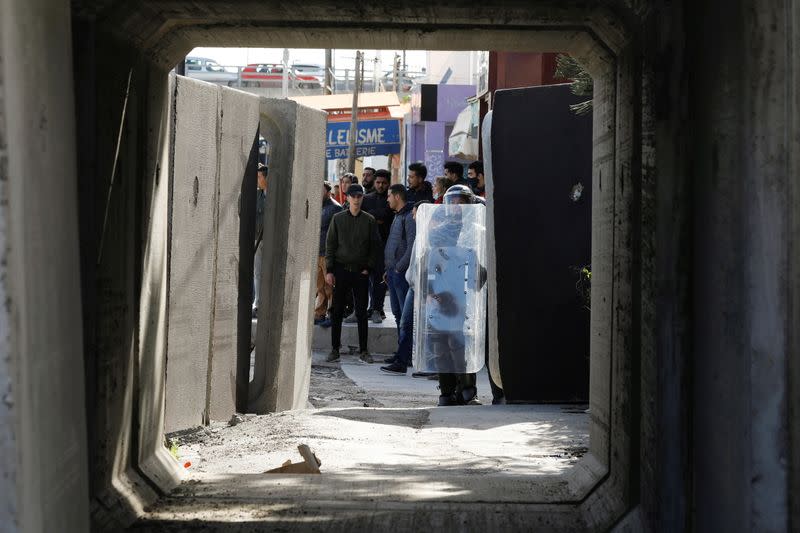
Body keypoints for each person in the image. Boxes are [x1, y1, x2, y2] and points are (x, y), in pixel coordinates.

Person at [416, 185, 486, 405]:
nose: (456, 206)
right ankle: (446, 392)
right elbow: (426, 262)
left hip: (464, 297)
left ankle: (467, 389)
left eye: (461, 201)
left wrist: (477, 281)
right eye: (453, 202)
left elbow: (480, 267)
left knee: (461, 348)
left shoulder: (475, 231)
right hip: (440, 297)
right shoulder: (438, 231)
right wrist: (428, 292)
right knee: (441, 347)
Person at [325, 183, 382, 364]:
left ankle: (364, 350)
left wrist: (368, 267)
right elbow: (330, 245)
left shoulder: (369, 220)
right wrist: (329, 270)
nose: (356, 199)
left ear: (362, 198)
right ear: (347, 197)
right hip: (341, 270)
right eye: (353, 196)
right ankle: (335, 349)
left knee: (361, 312)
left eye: (359, 196)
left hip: (360, 272)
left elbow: (375, 246)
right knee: (337, 311)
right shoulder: (338, 218)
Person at [378, 190, 418, 375]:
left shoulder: (408, 217)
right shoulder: (398, 216)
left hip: (401, 274)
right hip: (393, 273)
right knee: (397, 314)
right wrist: (389, 269)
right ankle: (401, 353)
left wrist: (398, 267)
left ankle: (405, 356)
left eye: (389, 196)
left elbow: (411, 246)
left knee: (405, 319)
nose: (387, 199)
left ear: (396, 196)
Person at [360, 169, 393, 323]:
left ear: (388, 184)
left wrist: (375, 216)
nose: (380, 186)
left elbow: (386, 216)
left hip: (384, 246)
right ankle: (361, 309)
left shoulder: (391, 199)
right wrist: (377, 217)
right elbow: (364, 217)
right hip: (367, 245)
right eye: (378, 182)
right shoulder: (366, 199)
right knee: (363, 279)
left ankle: (377, 309)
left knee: (380, 280)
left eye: (383, 183)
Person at [315, 181, 342, 326]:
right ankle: (319, 314)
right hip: (316, 252)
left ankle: (332, 314)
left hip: (328, 254)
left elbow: (338, 233)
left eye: (321, 190)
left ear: (327, 192)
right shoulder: (315, 206)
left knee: (329, 286)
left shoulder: (335, 208)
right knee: (319, 287)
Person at [253, 163, 268, 318]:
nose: (257, 180)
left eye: (259, 177)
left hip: (271, 240)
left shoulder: (275, 194)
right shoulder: (256, 195)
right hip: (258, 238)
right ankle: (258, 302)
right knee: (257, 272)